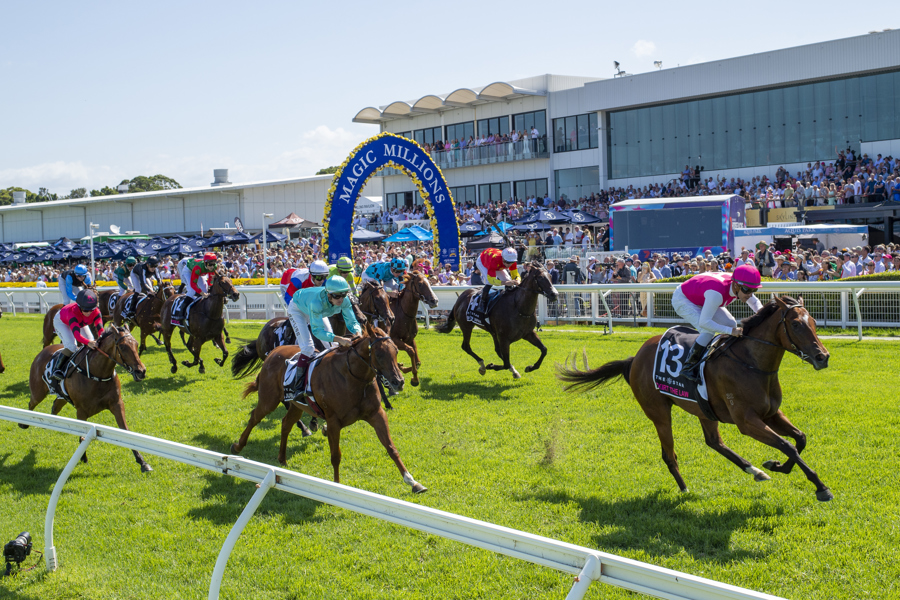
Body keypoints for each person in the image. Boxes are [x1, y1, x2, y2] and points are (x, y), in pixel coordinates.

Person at [672, 264, 764, 382]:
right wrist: (731, 331)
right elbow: (704, 323)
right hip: (683, 299)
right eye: (747, 290)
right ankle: (689, 366)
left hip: (703, 295)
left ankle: (727, 358)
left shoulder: (738, 286)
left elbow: (754, 302)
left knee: (731, 324)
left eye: (754, 290)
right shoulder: (717, 294)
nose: (750, 294)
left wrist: (764, 315)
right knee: (708, 331)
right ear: (736, 285)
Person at [285, 276, 361, 403]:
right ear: (329, 294)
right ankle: (298, 387)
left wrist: (358, 333)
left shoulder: (344, 300)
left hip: (317, 311)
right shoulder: (316, 303)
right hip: (298, 310)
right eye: (337, 296)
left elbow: (352, 322)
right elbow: (317, 331)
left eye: (343, 294)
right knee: (308, 348)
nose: (341, 299)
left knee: (333, 346)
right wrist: (339, 338)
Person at [51, 289, 104, 382]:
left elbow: (100, 330)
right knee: (71, 345)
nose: (89, 313)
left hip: (79, 322)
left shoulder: (96, 311)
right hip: (62, 322)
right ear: (79, 307)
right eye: (86, 310)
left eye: (91, 310)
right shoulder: (73, 313)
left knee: (91, 339)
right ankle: (56, 369)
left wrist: (102, 338)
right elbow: (77, 335)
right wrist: (89, 343)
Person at [174, 252, 218, 324]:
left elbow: (211, 277)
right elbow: (193, 284)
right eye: (210, 264)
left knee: (205, 288)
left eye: (213, 264)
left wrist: (210, 285)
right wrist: (202, 293)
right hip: (188, 271)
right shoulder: (198, 268)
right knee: (191, 291)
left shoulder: (214, 266)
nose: (212, 267)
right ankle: (181, 311)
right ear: (205, 263)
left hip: (197, 271)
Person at [475, 247, 519, 314]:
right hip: (483, 261)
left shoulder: (512, 260)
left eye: (512, 262)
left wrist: (518, 280)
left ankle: (509, 301)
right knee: (489, 282)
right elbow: (491, 280)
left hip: (497, 264)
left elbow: (515, 275)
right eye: (507, 262)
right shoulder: (495, 260)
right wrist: (505, 283)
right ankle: (482, 303)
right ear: (503, 258)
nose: (509, 265)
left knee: (508, 279)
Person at [123, 256, 162, 321]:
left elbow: (159, 280)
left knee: (151, 290)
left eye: (155, 266)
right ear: (147, 265)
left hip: (145, 276)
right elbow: (144, 284)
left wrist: (160, 285)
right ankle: (131, 309)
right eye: (151, 266)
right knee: (138, 290)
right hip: (135, 274)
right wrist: (151, 291)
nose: (153, 268)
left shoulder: (155, 269)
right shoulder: (143, 268)